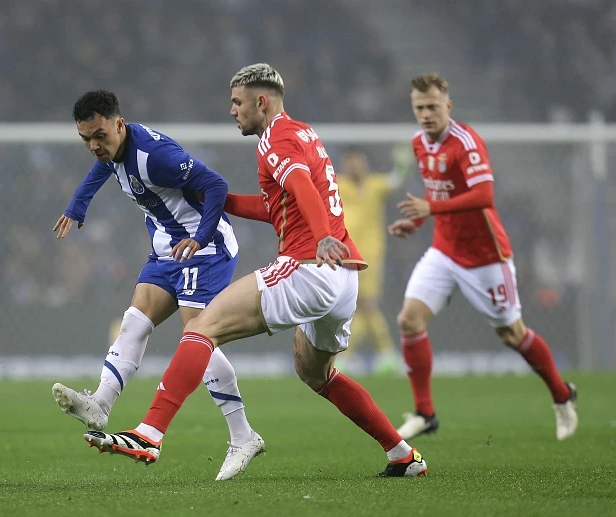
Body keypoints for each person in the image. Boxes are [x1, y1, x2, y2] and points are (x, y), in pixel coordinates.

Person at [85, 64, 428, 478]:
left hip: (309, 266)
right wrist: (222, 200)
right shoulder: (304, 133)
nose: (232, 111)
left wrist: (320, 237)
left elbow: (300, 185)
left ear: (260, 102)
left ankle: (150, 433)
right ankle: (402, 455)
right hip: (343, 277)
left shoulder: (275, 140)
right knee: (317, 373)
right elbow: (277, 207)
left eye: (237, 102)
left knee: (201, 328)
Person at [50, 90, 264, 481]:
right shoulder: (114, 149)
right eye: (86, 139)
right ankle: (99, 403)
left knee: (198, 336)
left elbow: (215, 185)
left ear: (119, 124)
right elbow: (106, 165)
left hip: (205, 248)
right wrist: (78, 204)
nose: (94, 146)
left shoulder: (155, 157)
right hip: (167, 247)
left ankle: (243, 435)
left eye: (100, 135)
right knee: (135, 320)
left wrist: (199, 237)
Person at [387, 73, 578, 441]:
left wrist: (430, 207)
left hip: (485, 255)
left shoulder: (466, 143)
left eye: (432, 107)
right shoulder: (418, 143)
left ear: (448, 106)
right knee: (409, 320)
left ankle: (561, 393)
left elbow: (484, 196)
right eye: (419, 108)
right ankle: (425, 413)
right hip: (444, 249)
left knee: (511, 333)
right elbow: (440, 194)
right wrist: (421, 221)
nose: (426, 114)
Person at [336, 148, 409, 375]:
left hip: (371, 256)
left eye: (358, 161)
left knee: (365, 304)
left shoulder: (375, 185)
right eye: (350, 162)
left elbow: (395, 181)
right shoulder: (338, 184)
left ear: (365, 163)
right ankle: (385, 355)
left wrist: (402, 165)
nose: (354, 166)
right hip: (343, 254)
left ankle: (361, 356)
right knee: (358, 307)